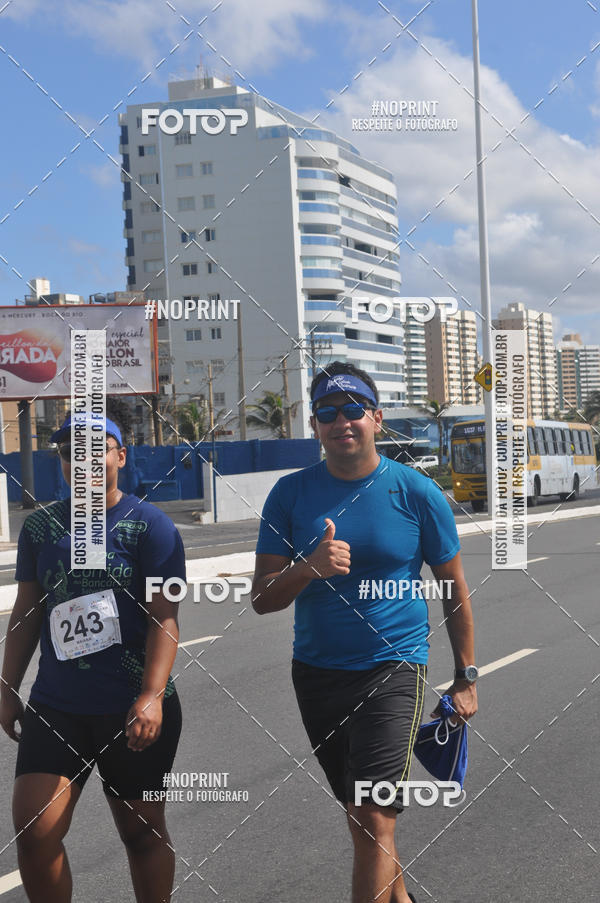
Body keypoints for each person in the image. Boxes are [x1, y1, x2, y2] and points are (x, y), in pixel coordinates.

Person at [252, 362, 478, 903]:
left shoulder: (416, 492)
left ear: (375, 418)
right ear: (315, 426)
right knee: (363, 821)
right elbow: (261, 599)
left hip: (394, 670)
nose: (341, 422)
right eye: (327, 413)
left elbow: (453, 590)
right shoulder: (289, 495)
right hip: (317, 675)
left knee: (375, 816)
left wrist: (465, 675)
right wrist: (307, 566)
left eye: (353, 409)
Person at [0, 415, 186, 903]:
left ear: (120, 456)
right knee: (36, 832)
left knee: (141, 832)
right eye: (68, 452)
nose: (80, 460)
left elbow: (164, 618)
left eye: (95, 449)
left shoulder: (151, 526)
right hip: (58, 704)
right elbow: (27, 611)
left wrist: (150, 696)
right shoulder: (41, 526)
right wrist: (5, 686)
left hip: (130, 706)